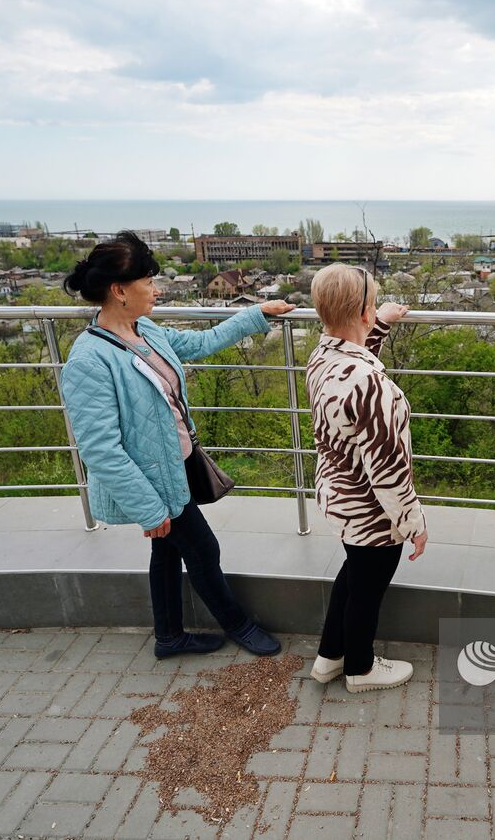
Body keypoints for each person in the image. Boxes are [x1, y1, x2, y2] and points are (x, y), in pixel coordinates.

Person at [60, 231, 295, 659]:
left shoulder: (143, 329)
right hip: (153, 480)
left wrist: (257, 314)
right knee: (203, 549)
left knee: (167, 551)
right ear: (119, 291)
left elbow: (199, 344)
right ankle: (238, 625)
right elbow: (100, 450)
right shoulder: (88, 361)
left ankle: (168, 636)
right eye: (148, 282)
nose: (157, 289)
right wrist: (148, 508)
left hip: (177, 461)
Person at [304, 263, 428, 692]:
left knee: (354, 574)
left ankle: (329, 656)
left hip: (340, 495)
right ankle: (361, 668)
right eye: (372, 305)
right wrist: (413, 524)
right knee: (368, 587)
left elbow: (352, 361)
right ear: (362, 314)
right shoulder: (372, 385)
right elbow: (388, 469)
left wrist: (380, 327)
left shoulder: (322, 359)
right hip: (373, 510)